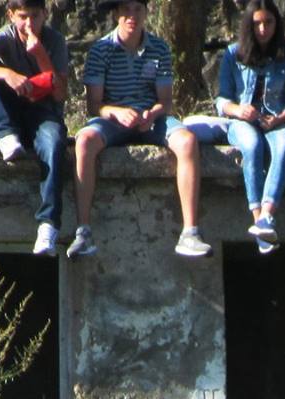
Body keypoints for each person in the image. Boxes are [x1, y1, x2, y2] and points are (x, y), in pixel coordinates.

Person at [70, 0, 198, 259]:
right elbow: (94, 105)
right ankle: (83, 231)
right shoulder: (101, 50)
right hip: (113, 119)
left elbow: (166, 101)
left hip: (150, 119)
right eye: (126, 10)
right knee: (84, 141)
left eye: (137, 9)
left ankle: (190, 232)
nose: (132, 16)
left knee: (187, 141)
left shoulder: (159, 48)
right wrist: (117, 112)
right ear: (116, 14)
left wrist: (152, 114)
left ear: (145, 12)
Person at [182, 3, 285, 255]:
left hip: (275, 121)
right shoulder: (233, 53)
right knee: (252, 145)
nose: (263, 29)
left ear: (276, 24)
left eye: (268, 23)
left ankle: (267, 216)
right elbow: (222, 100)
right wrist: (239, 110)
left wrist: (279, 119)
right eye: (257, 23)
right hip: (242, 121)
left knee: (283, 145)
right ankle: (257, 217)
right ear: (249, 25)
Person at [0, 0, 71, 257]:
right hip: (13, 111)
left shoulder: (54, 40)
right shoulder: (5, 36)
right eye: (23, 17)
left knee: (54, 144)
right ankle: (6, 134)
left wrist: (41, 56)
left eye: (35, 16)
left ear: (45, 14)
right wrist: (6, 73)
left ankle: (48, 223)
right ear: (11, 16)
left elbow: (60, 94)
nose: (29, 24)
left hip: (43, 112)